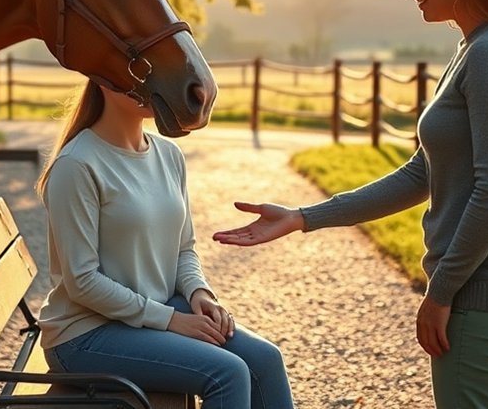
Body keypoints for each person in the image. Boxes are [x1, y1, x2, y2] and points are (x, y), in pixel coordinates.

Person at [214, 0, 488, 409]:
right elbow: (420, 173)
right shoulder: (487, 46)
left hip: (485, 292)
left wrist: (442, 292)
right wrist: (301, 217)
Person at [36, 80, 295, 409]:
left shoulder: (169, 154)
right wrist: (172, 320)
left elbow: (184, 247)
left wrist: (198, 293)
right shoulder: (76, 165)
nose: (150, 86)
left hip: (153, 311)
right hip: (85, 334)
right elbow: (82, 282)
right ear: (103, 81)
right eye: (136, 77)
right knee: (228, 373)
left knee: (265, 361)